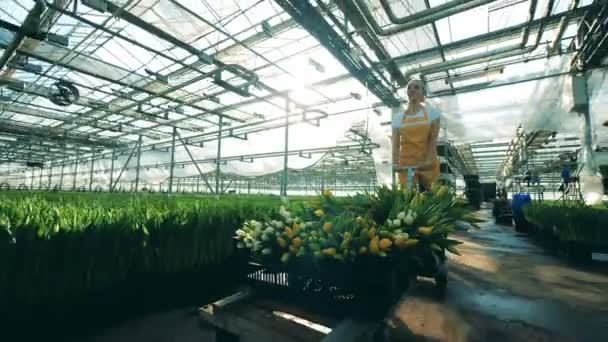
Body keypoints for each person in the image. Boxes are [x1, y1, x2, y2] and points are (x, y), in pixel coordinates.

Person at [392, 79, 440, 191]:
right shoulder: (398, 118)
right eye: (409, 87)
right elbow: (395, 144)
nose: (412, 89)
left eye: (416, 87)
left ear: (423, 92)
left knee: (427, 196)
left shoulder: (432, 114)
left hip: (426, 163)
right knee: (408, 198)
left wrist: (428, 161)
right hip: (405, 164)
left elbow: (433, 140)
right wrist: (395, 163)